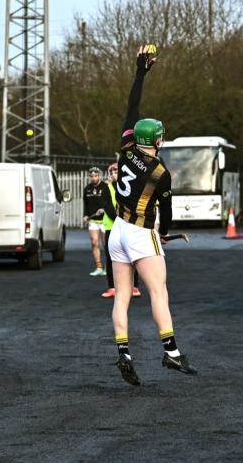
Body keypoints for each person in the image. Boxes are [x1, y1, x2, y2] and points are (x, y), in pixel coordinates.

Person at [107, 45, 197, 386]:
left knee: (123, 295)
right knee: (159, 292)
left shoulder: (126, 149)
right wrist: (165, 232)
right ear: (156, 140)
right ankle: (172, 352)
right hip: (141, 233)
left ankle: (123, 353)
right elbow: (168, 210)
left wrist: (140, 72)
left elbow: (132, 106)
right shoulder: (161, 171)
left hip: (117, 230)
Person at [100, 163, 140, 298]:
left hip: (128, 226)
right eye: (111, 173)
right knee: (111, 258)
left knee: (132, 256)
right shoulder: (106, 189)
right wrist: (119, 219)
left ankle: (134, 286)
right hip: (111, 227)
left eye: (116, 172)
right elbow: (108, 207)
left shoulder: (129, 188)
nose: (113, 175)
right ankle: (112, 287)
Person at [83, 167, 110, 276]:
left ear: (99, 176)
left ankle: (109, 267)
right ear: (89, 177)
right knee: (94, 242)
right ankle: (99, 267)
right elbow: (86, 204)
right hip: (93, 220)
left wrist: (104, 209)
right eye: (92, 176)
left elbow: (110, 201)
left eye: (96, 176)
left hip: (104, 220)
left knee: (106, 244)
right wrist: (85, 215)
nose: (94, 178)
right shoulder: (87, 189)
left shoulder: (105, 187)